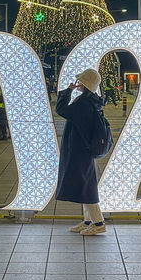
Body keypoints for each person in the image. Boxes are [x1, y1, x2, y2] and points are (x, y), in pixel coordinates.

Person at [55, 67, 106, 236]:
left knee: (86, 186)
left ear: (84, 83)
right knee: (84, 184)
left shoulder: (84, 103)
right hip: (82, 150)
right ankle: (88, 221)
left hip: (80, 151)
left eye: (80, 81)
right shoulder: (90, 100)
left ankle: (98, 223)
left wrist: (68, 90)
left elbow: (61, 110)